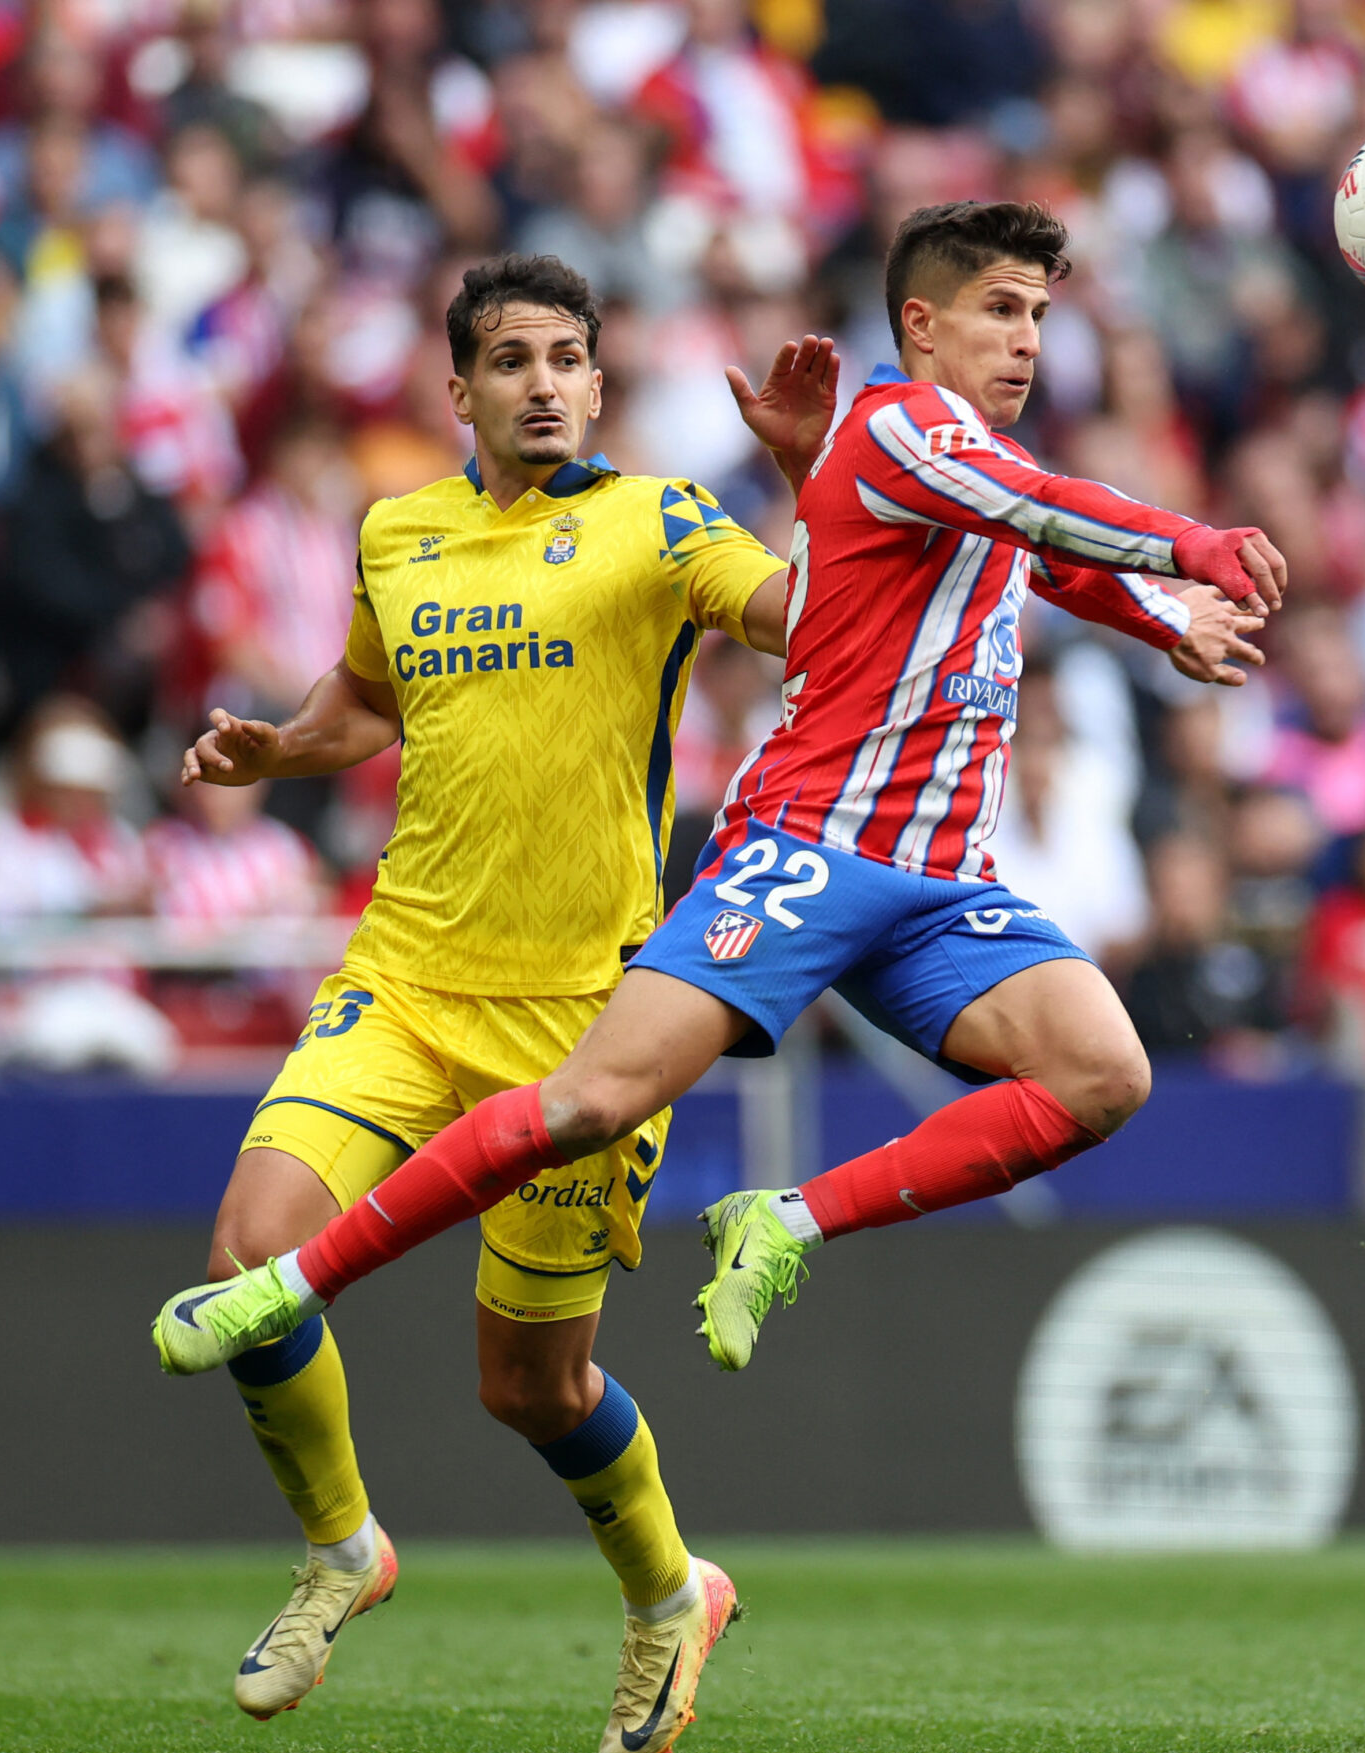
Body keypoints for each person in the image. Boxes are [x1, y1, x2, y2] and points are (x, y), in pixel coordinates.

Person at [154, 207, 1281, 1433]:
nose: (1028, 340)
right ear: (921, 322)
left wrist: (1165, 622)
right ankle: (289, 1284)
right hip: (810, 847)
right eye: (1002, 310)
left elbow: (1045, 551)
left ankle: (782, 1219)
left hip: (940, 878)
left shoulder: (964, 469)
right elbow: (1045, 509)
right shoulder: (902, 425)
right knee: (589, 1103)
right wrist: (1193, 545)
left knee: (1104, 1073)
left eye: (1040, 316)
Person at [149, 255, 800, 1753]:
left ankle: (670, 1590)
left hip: (585, 1025)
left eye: (567, 357)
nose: (544, 383)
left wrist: (805, 473)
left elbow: (805, 616)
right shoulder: (399, 531)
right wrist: (277, 751)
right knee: (249, 1258)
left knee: (529, 1384)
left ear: (599, 380)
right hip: (404, 977)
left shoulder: (660, 520)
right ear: (460, 389)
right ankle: (341, 1548)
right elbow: (372, 701)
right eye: (512, 360)